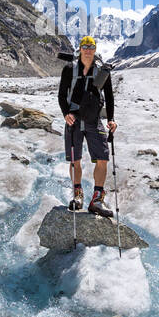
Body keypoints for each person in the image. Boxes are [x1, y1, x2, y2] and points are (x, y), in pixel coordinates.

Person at [58, 35, 117, 215]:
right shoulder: (69, 69)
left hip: (94, 119)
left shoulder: (102, 72)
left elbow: (109, 96)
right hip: (74, 119)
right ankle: (78, 195)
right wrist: (66, 113)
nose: (88, 50)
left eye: (91, 47)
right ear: (80, 49)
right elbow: (61, 94)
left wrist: (111, 119)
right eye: (85, 46)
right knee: (75, 160)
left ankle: (97, 200)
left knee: (103, 158)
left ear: (95, 50)